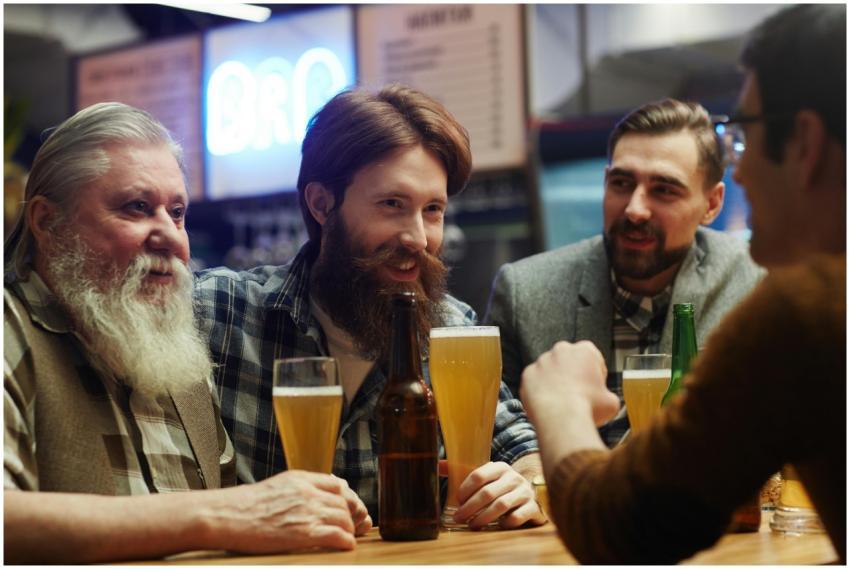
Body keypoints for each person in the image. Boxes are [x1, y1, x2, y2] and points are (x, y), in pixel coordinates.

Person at [521, 4, 845, 564]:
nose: (740, 169)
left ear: (804, 142)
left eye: (744, 135)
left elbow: (624, 527)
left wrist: (562, 401)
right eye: (620, 182)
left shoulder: (809, 308)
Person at [3, 103, 371, 564]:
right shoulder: (10, 329)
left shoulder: (174, 355)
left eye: (176, 213)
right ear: (47, 223)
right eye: (137, 207)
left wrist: (298, 510)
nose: (172, 238)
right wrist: (221, 514)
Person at [194, 84, 546, 529]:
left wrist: (524, 484)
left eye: (432, 209)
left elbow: (522, 450)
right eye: (392, 204)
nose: (418, 238)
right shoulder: (221, 312)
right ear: (321, 204)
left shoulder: (452, 329)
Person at [486, 98, 764, 446]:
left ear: (712, 204)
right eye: (621, 183)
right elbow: (495, 428)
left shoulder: (755, 283)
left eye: (663, 190)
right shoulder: (524, 292)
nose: (634, 209)